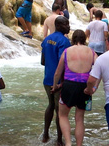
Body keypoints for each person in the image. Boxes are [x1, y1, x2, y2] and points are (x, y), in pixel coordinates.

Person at [52, 30, 98, 146]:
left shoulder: (67, 51)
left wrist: (54, 85)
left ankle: (68, 143)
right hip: (85, 87)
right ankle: (79, 144)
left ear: (73, 39)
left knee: (62, 115)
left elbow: (58, 72)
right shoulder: (91, 52)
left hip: (69, 86)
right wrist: (95, 87)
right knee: (79, 119)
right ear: (84, 39)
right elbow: (99, 70)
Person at [41, 16, 71, 145]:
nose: (68, 27)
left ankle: (45, 134)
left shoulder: (46, 39)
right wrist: (62, 82)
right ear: (59, 26)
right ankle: (59, 140)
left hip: (47, 78)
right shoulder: (64, 41)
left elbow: (43, 61)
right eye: (66, 24)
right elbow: (63, 63)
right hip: (59, 81)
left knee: (50, 105)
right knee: (60, 111)